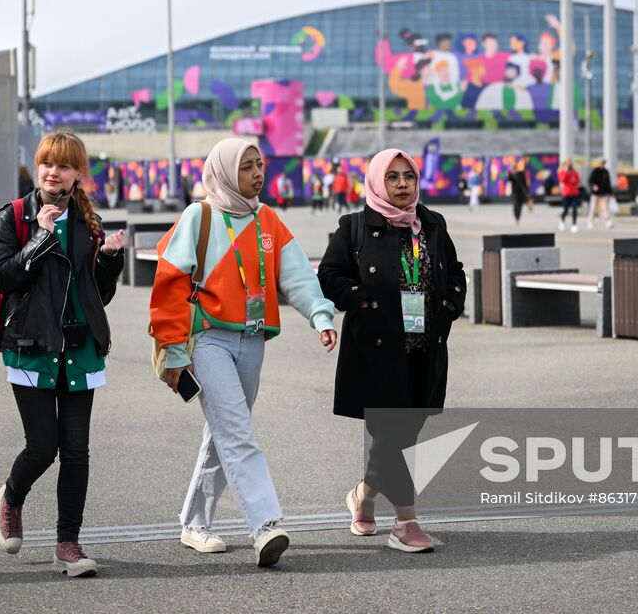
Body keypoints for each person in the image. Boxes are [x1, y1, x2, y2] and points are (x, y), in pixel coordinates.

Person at [149, 139, 337, 567]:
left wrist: (320, 316)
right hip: (208, 339)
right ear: (224, 173)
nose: (257, 174)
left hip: (252, 340)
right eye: (246, 167)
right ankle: (266, 524)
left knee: (225, 430)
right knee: (237, 431)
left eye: (260, 164)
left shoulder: (267, 219)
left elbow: (297, 276)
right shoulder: (199, 216)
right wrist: (175, 351)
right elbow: (169, 286)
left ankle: (194, 522)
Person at [0, 130, 126, 578]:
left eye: (64, 165)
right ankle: (11, 497)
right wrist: (41, 236)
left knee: (76, 451)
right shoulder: (15, 216)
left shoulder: (89, 222)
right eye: (48, 163)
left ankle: (67, 543)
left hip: (80, 350)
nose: (53, 172)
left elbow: (97, 296)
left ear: (78, 173)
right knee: (42, 446)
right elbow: (4, 277)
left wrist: (110, 261)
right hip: (31, 346)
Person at [318, 150, 466, 554]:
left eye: (409, 176)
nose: (402, 184)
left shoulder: (432, 224)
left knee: (399, 437)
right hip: (377, 351)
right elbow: (329, 274)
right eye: (393, 177)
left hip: (424, 349)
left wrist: (451, 304)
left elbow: (454, 270)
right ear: (376, 182)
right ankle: (406, 523)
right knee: (394, 436)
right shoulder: (354, 226)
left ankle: (363, 495)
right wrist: (361, 299)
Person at [586, 160, 614, 230]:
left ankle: (608, 222)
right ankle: (589, 221)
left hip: (604, 193)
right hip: (596, 194)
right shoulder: (595, 171)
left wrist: (610, 193)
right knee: (593, 208)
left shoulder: (606, 171)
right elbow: (590, 181)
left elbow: (608, 183)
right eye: (601, 163)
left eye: (604, 163)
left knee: (605, 208)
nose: (602, 164)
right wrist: (593, 186)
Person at [557, 158, 582, 233]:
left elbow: (578, 181)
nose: (569, 164)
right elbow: (562, 180)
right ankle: (562, 221)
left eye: (570, 163)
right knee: (566, 209)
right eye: (567, 163)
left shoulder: (574, 172)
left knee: (574, 209)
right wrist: (566, 171)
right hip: (566, 193)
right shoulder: (561, 171)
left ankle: (574, 224)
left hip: (574, 193)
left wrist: (574, 181)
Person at [507, 160, 532, 225]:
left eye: (514, 166)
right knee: (516, 205)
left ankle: (518, 218)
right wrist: (511, 172)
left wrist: (527, 191)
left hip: (521, 192)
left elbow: (525, 183)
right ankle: (516, 218)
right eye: (513, 166)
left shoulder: (521, 173)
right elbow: (509, 180)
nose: (514, 167)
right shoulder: (511, 174)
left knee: (520, 206)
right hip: (515, 193)